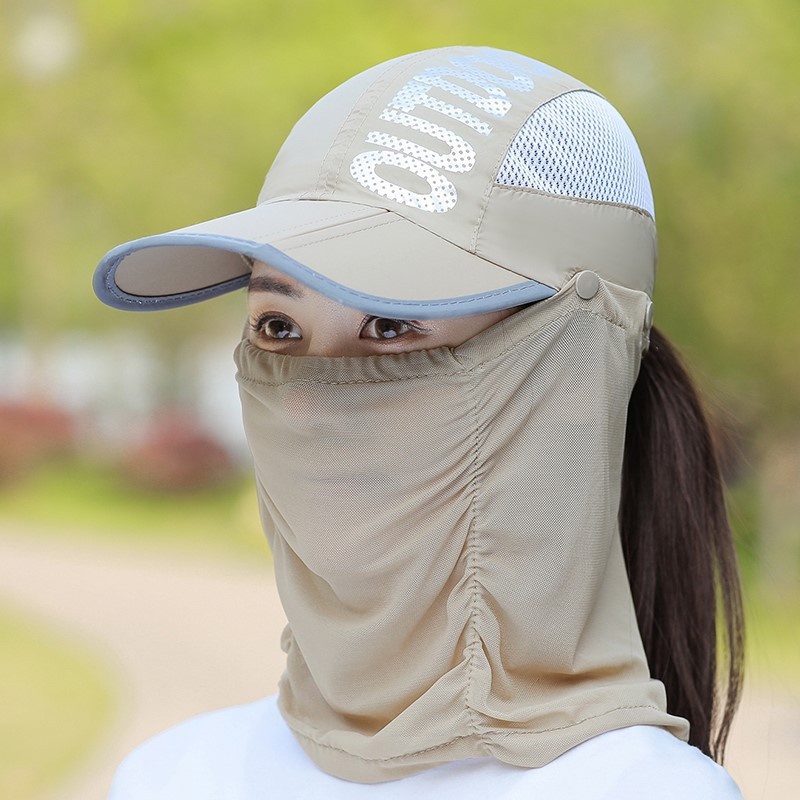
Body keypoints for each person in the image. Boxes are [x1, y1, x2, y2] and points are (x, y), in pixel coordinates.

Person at [93, 46, 745, 798]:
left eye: (393, 325)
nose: (308, 399)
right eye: (278, 328)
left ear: (573, 367)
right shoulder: (171, 776)